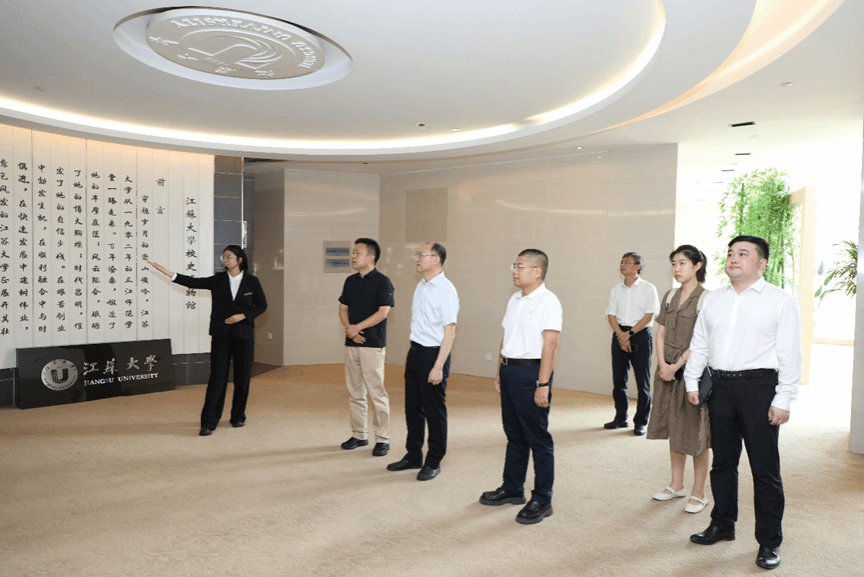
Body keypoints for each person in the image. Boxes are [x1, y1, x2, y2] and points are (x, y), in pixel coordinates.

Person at [686, 235, 802, 571]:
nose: (733, 258)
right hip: (719, 388)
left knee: (765, 470)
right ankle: (722, 523)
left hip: (759, 388)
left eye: (743, 253)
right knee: (723, 463)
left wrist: (784, 398)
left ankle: (769, 541)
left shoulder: (780, 301)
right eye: (730, 253)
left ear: (762, 263)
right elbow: (700, 342)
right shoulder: (713, 299)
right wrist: (692, 381)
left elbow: (790, 354)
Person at [148, 246, 267, 436]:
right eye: (223, 257)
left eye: (229, 257)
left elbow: (261, 305)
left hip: (244, 335)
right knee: (217, 379)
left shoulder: (252, 282)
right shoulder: (218, 279)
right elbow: (193, 282)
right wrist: (169, 273)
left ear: (239, 260)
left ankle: (238, 417)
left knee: (242, 378)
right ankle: (209, 423)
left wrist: (243, 315)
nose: (225, 260)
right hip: (221, 335)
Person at [480, 249, 562, 525]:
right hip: (509, 370)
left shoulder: (549, 301)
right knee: (514, 435)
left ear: (537, 271)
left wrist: (543, 383)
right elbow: (506, 337)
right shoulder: (514, 299)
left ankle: (542, 499)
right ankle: (512, 488)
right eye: (513, 266)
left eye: (520, 266)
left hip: (531, 373)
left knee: (538, 438)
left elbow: (551, 344)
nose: (514, 271)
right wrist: (499, 371)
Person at [646, 245, 711, 514]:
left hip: (691, 372)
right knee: (673, 426)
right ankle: (676, 484)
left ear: (697, 266)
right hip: (666, 371)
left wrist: (676, 366)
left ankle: (699, 492)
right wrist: (663, 365)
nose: (676, 268)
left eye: (682, 263)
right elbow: (660, 333)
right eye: (673, 263)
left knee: (695, 432)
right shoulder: (670, 295)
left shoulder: (707, 299)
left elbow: (701, 342)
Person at [387, 242, 459, 481]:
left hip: (434, 354)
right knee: (413, 408)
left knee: (434, 411)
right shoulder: (421, 285)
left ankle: (434, 460)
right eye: (417, 255)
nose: (417, 258)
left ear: (436, 259)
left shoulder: (446, 290)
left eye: (422, 255)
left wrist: (437, 366)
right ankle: (413, 455)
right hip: (416, 352)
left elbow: (449, 333)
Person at [337, 238, 395, 457]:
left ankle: (382, 439)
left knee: (376, 393)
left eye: (357, 253)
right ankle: (359, 434)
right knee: (355, 392)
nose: (353, 256)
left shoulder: (383, 282)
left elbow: (383, 312)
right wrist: (349, 328)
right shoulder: (350, 281)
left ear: (371, 257)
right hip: (351, 343)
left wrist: (357, 328)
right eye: (353, 253)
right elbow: (343, 308)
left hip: (372, 345)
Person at [605, 252, 659, 435]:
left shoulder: (648, 288)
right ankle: (620, 418)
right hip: (619, 334)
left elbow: (649, 316)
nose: (623, 265)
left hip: (640, 335)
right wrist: (621, 335)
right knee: (619, 380)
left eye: (627, 262)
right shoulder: (615, 290)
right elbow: (611, 315)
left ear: (638, 267)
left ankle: (641, 422)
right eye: (621, 262)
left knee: (643, 382)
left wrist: (629, 334)